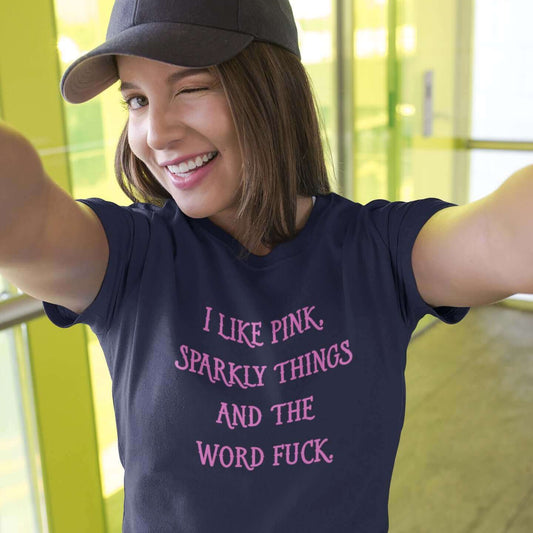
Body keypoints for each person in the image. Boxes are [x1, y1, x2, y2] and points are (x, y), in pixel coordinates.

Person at [0, 0, 532, 531]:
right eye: (136, 100)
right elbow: (24, 214)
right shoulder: (128, 258)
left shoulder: (379, 252)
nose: (156, 133)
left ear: (270, 88)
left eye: (190, 89)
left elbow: (508, 233)